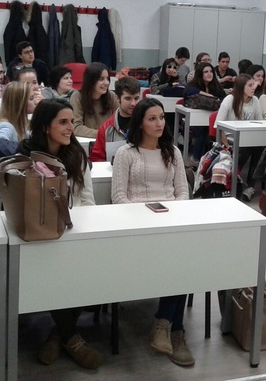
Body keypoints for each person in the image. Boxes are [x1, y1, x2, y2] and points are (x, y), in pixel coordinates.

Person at [19, 99, 101, 369]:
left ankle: (60, 334)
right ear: (45, 127)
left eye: (70, 122)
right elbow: (19, 201)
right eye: (63, 123)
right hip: (37, 232)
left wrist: (83, 229)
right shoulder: (25, 156)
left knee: (84, 267)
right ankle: (71, 337)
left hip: (72, 230)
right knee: (54, 268)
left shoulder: (77, 154)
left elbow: (87, 197)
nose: (70, 128)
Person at [110, 98, 193, 367]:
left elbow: (182, 193)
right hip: (137, 228)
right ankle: (175, 329)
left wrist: (172, 217)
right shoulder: (127, 153)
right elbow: (119, 198)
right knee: (179, 261)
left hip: (170, 225)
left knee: (183, 257)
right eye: (152, 119)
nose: (159, 123)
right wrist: (145, 218)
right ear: (140, 123)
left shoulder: (173, 152)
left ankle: (166, 325)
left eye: (161, 117)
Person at [215, 74, 263, 196]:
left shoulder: (255, 100)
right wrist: (226, 145)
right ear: (241, 87)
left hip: (249, 138)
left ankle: (250, 186)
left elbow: (260, 123)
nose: (253, 88)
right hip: (231, 139)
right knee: (245, 149)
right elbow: (218, 126)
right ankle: (235, 179)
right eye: (250, 85)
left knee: (261, 149)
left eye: (254, 85)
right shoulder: (230, 100)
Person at [0, 66, 42, 137]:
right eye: (26, 83)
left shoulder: (44, 102)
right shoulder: (7, 101)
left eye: (34, 82)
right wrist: (12, 130)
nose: (32, 87)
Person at [90, 76, 141, 162]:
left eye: (136, 98)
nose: (133, 103)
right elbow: (96, 159)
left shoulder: (146, 123)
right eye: (128, 98)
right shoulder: (106, 128)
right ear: (117, 99)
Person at [184, 62, 226, 162]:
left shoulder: (216, 86)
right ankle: (196, 159)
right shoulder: (193, 85)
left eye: (211, 71)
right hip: (195, 119)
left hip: (211, 119)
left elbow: (223, 99)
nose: (209, 74)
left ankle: (210, 160)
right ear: (200, 74)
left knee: (210, 131)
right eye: (206, 72)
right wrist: (208, 95)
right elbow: (188, 92)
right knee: (203, 131)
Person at [71, 62, 118, 137]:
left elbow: (119, 122)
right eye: (101, 79)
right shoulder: (77, 97)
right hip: (86, 142)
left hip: (108, 141)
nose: (106, 83)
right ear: (91, 81)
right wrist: (103, 134)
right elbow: (76, 127)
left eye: (107, 79)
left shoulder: (111, 96)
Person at [0, 81, 36, 146]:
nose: (35, 101)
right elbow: (0, 147)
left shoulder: (19, 125)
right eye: (31, 98)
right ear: (19, 103)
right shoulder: (6, 127)